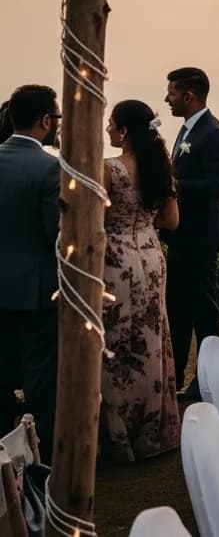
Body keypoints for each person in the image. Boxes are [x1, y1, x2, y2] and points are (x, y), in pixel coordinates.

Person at [100, 100, 181, 461]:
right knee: (151, 337)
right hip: (150, 256)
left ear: (124, 131)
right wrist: (145, 222)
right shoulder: (161, 167)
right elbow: (172, 221)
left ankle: (118, 434)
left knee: (115, 338)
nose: (107, 130)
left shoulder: (109, 169)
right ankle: (151, 428)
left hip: (115, 259)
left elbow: (92, 218)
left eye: (111, 124)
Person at [161, 67, 219, 399]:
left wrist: (173, 186)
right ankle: (175, 378)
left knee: (204, 311)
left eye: (172, 93)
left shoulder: (213, 133)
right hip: (183, 236)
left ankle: (209, 380)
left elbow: (218, 185)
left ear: (189, 96)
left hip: (201, 237)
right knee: (178, 307)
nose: (167, 98)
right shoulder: (188, 129)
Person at [0, 85, 60, 460]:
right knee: (40, 382)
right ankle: (41, 461)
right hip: (36, 293)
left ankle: (4, 462)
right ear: (45, 121)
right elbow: (57, 235)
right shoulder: (49, 168)